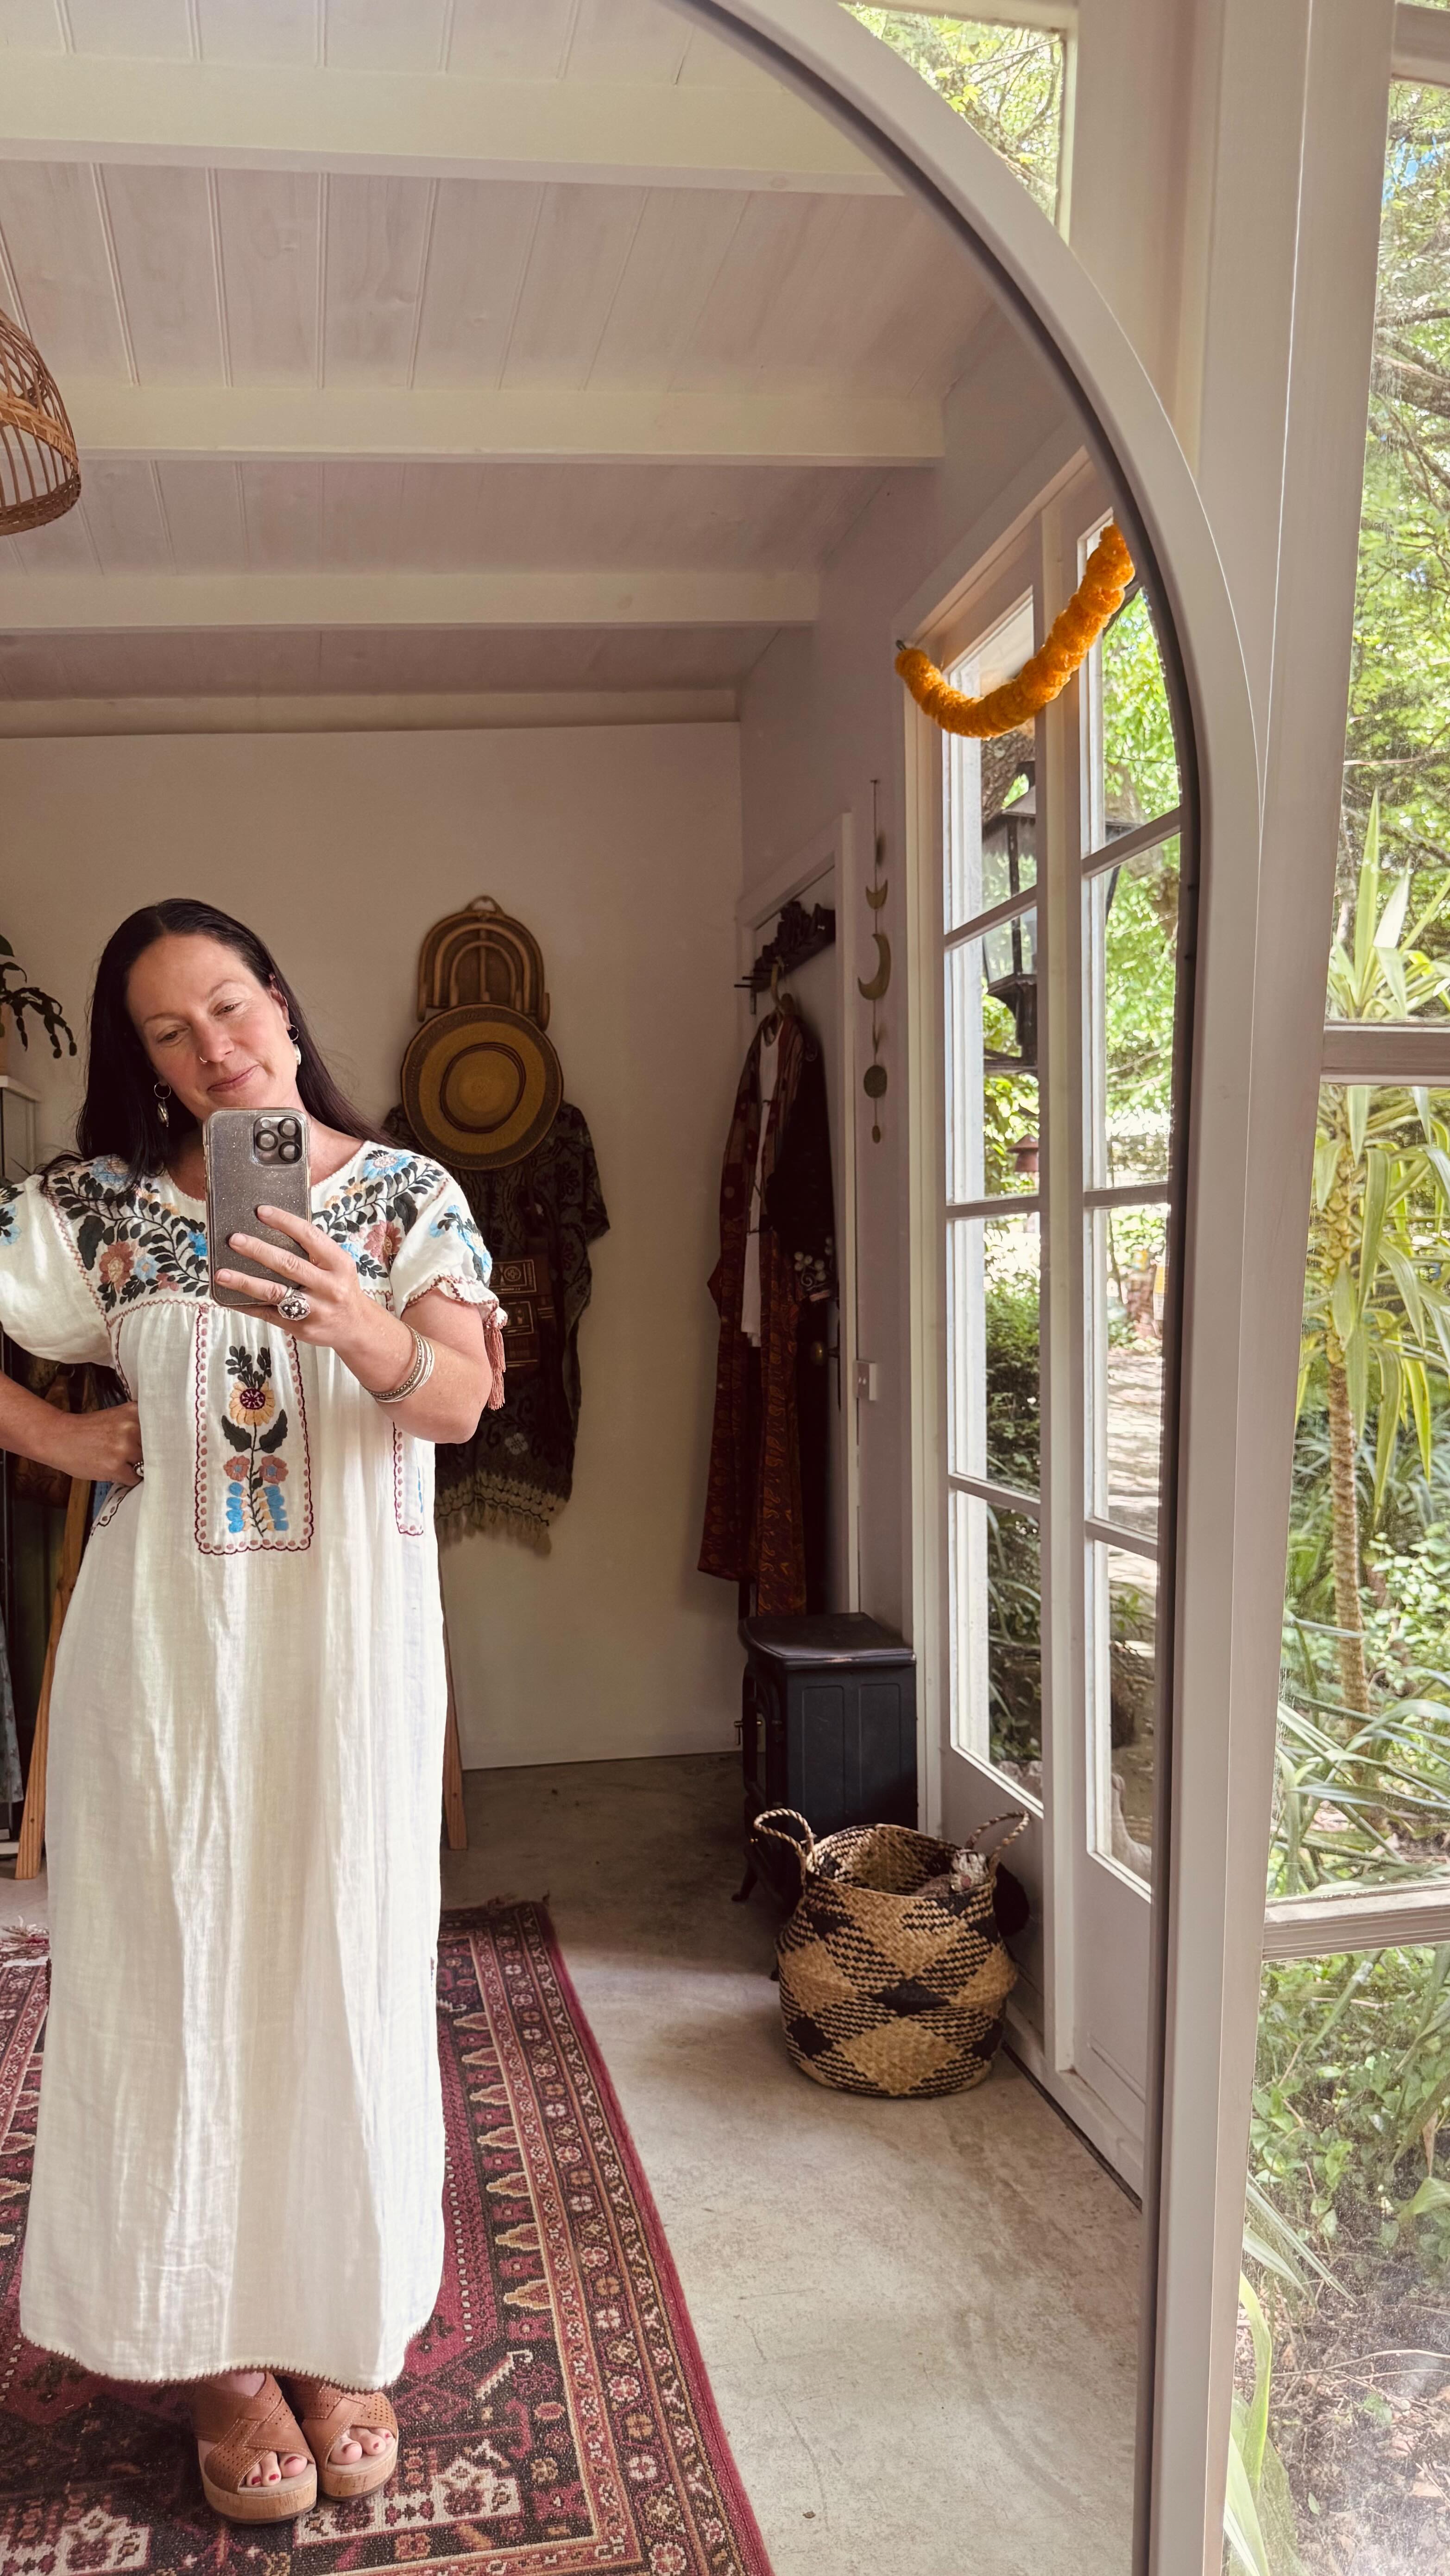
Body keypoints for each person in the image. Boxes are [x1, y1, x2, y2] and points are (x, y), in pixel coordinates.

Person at [0, 899, 504, 2522]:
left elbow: (461, 1399)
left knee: (342, 1976)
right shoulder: (89, 1210)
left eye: (230, 1006)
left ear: (282, 1004)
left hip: (351, 1660)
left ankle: (337, 2331)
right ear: (142, 1063)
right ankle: (212, 2350)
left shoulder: (409, 1193)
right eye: (168, 1029)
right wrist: (60, 1439)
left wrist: (352, 1319)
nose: (214, 1046)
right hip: (164, 1674)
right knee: (173, 1981)